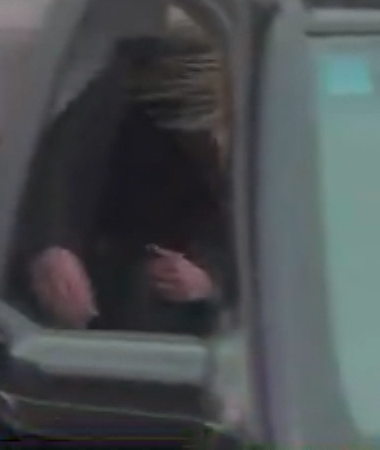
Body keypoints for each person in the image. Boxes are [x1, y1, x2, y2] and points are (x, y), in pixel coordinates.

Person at [21, 20, 232, 336]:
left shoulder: (272, 152)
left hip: (176, 324)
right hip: (93, 290)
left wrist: (209, 282)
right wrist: (54, 246)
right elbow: (62, 162)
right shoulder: (136, 88)